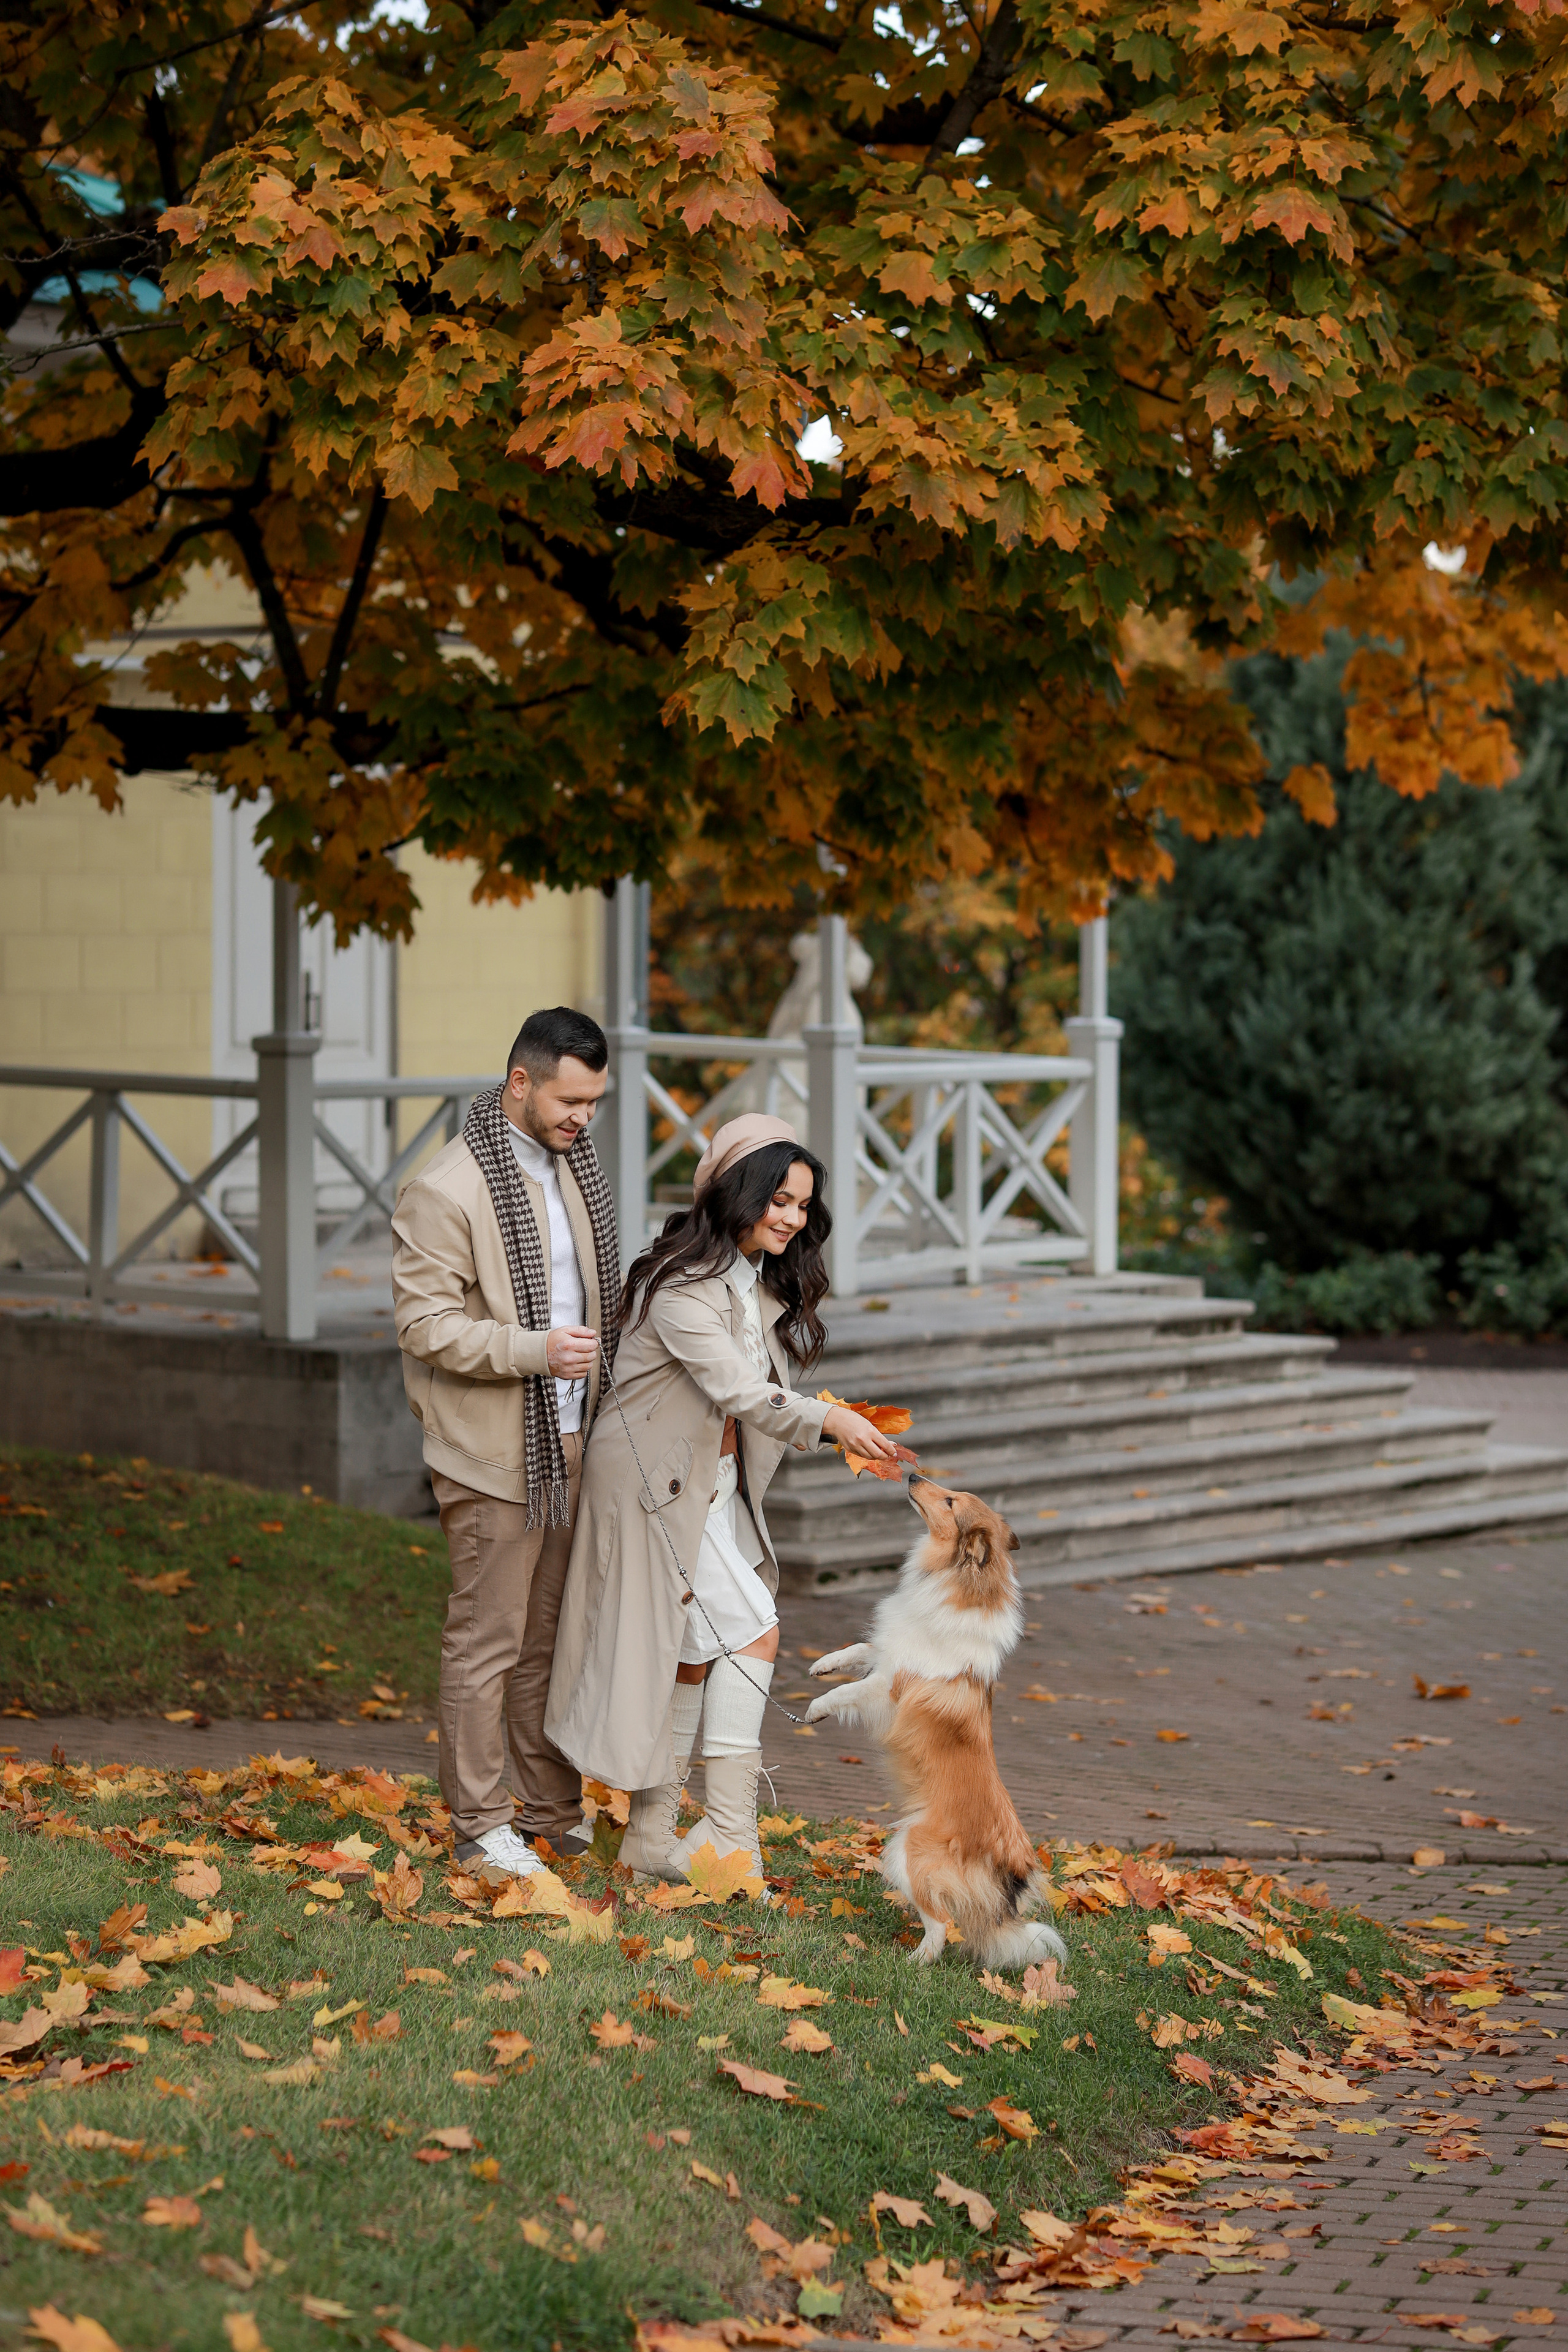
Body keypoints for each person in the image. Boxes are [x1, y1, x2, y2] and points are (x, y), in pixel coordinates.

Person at [544, 1113, 900, 1890]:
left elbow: (749, 1402)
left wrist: (827, 1420)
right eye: (778, 1198)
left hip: (708, 1492)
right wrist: (830, 1421)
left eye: (803, 1206)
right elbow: (740, 1391)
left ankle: (651, 1837)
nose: (792, 1218)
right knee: (753, 1630)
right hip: (653, 1491)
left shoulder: (750, 1284)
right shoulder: (680, 1285)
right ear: (736, 1191)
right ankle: (731, 1843)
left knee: (695, 1653)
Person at [391, 1006, 622, 1880]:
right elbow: (423, 1326)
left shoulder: (572, 1171)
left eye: (595, 1103)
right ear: (519, 1082)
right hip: (491, 1455)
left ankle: (552, 1812)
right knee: (488, 1641)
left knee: (548, 1642)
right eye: (570, 1100)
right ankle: (481, 1826)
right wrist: (532, 1350)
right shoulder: (445, 1188)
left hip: (572, 1440)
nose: (583, 1119)